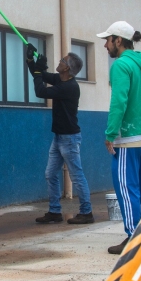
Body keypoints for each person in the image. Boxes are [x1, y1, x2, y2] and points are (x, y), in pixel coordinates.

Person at [97, 21, 141, 255]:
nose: (105, 45)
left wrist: (110, 134)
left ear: (118, 41)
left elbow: (119, 102)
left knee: (126, 187)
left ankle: (134, 237)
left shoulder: (121, 65)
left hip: (128, 139)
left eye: (108, 40)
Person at [24, 45, 94, 224]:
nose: (60, 61)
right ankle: (55, 212)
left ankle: (87, 213)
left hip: (69, 139)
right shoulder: (61, 80)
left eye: (63, 61)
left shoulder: (69, 87)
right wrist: (31, 61)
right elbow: (40, 76)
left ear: (67, 68)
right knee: (50, 174)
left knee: (76, 176)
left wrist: (39, 70)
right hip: (59, 137)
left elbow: (40, 91)